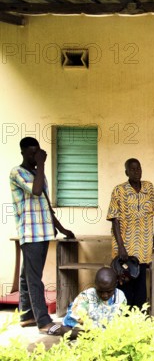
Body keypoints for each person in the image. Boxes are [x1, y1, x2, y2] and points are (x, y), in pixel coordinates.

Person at [10, 137, 75, 334]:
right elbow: (36, 192)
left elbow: (45, 204)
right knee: (34, 277)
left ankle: (26, 315)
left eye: (37, 152)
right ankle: (43, 322)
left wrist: (62, 229)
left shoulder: (39, 173)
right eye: (31, 153)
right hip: (30, 233)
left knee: (26, 274)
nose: (35, 156)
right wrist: (42, 163)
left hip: (44, 232)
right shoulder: (17, 172)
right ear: (22, 152)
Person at [107, 158, 154, 309]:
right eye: (133, 169)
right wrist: (121, 247)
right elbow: (114, 220)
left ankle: (139, 315)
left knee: (141, 279)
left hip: (143, 243)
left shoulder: (149, 188)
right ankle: (125, 316)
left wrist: (153, 237)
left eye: (139, 168)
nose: (137, 172)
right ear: (126, 172)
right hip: (125, 245)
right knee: (125, 281)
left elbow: (149, 216)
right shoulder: (119, 190)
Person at [48, 267, 127, 338]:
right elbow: (64, 329)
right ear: (95, 285)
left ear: (115, 285)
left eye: (109, 291)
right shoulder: (85, 297)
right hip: (89, 337)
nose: (104, 295)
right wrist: (90, 334)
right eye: (100, 291)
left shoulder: (120, 297)